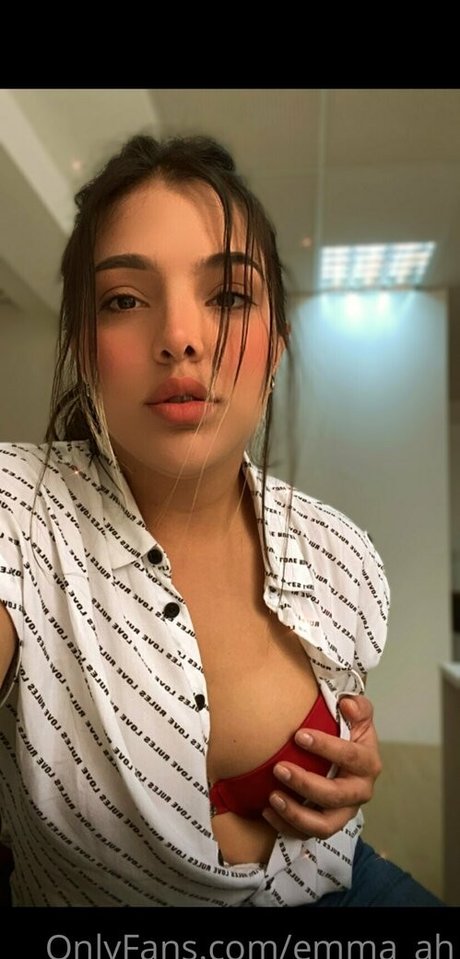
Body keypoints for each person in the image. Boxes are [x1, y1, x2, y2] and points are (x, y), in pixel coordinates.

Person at [0, 133, 442, 908]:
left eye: (230, 297)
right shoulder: (19, 512)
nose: (181, 336)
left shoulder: (341, 553)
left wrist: (352, 761)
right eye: (124, 299)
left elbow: (345, 722)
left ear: (277, 347)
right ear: (83, 346)